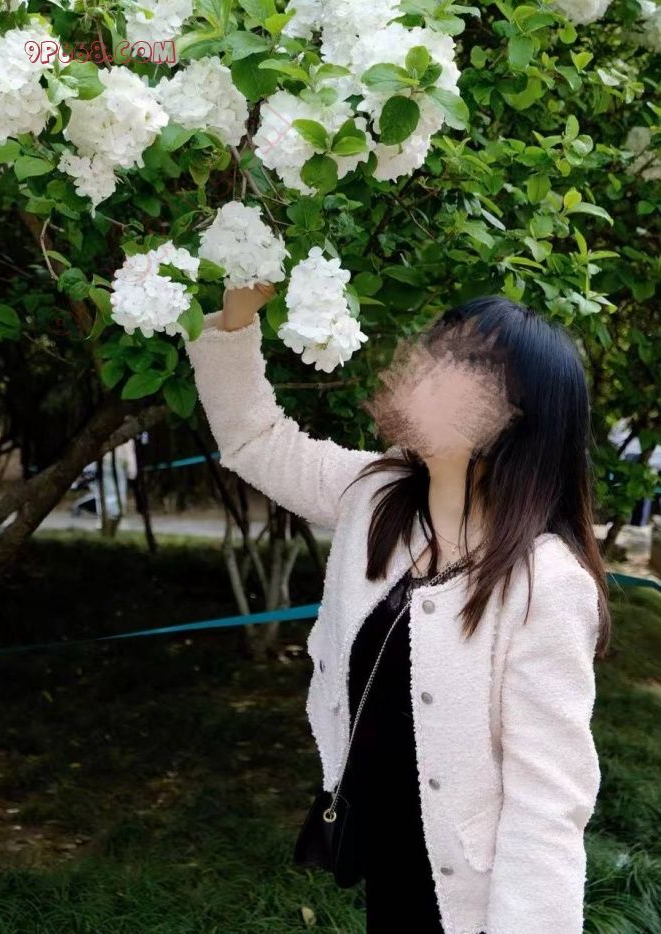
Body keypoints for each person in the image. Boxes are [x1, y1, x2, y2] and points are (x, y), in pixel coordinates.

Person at [185, 284, 610, 934]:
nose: (419, 371)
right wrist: (238, 317)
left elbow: (547, 804)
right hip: (384, 847)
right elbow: (257, 440)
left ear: (515, 421)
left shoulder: (544, 584)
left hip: (466, 890)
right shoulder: (378, 495)